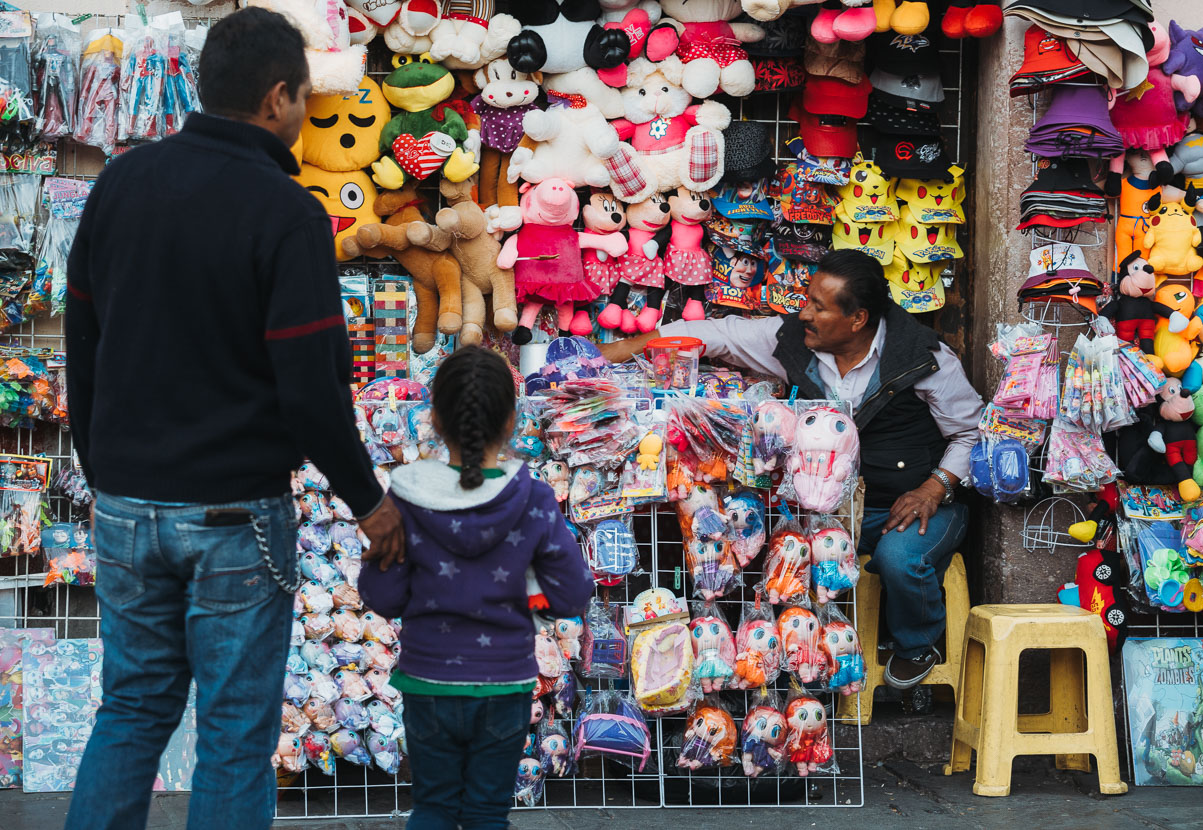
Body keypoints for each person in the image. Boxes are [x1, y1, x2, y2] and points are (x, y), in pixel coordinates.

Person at [64, 9, 404, 830]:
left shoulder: (122, 183)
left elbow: (83, 344)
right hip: (233, 516)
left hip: (127, 503)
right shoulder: (284, 211)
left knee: (132, 709)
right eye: (304, 104)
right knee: (232, 731)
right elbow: (310, 385)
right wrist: (369, 502)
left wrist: (105, 469)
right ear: (278, 96)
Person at [602, 249, 984, 689]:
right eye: (807, 300)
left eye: (818, 307)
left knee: (899, 560)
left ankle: (919, 643)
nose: (803, 313)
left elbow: (973, 433)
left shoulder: (923, 358)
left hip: (911, 505)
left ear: (858, 319)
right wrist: (625, 348)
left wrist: (933, 488)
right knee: (750, 547)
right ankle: (771, 660)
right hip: (827, 515)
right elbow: (715, 334)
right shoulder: (792, 342)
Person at [360, 346, 594, 830]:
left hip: (427, 681)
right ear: (511, 422)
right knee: (488, 814)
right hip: (505, 684)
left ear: (435, 420)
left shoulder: (405, 494)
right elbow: (573, 593)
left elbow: (382, 597)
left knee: (433, 809)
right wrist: (532, 596)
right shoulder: (531, 494)